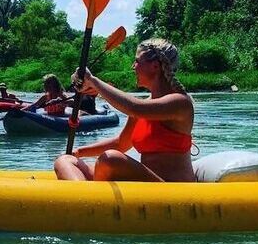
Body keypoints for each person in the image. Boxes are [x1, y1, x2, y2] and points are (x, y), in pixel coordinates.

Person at [53, 38, 195, 182]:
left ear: (155, 66)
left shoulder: (180, 103)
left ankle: (90, 198)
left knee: (111, 159)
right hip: (145, 185)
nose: (133, 66)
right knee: (65, 161)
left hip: (171, 189)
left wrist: (93, 81)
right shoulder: (144, 106)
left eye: (137, 61)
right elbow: (120, 144)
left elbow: (134, 108)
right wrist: (78, 152)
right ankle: (84, 199)